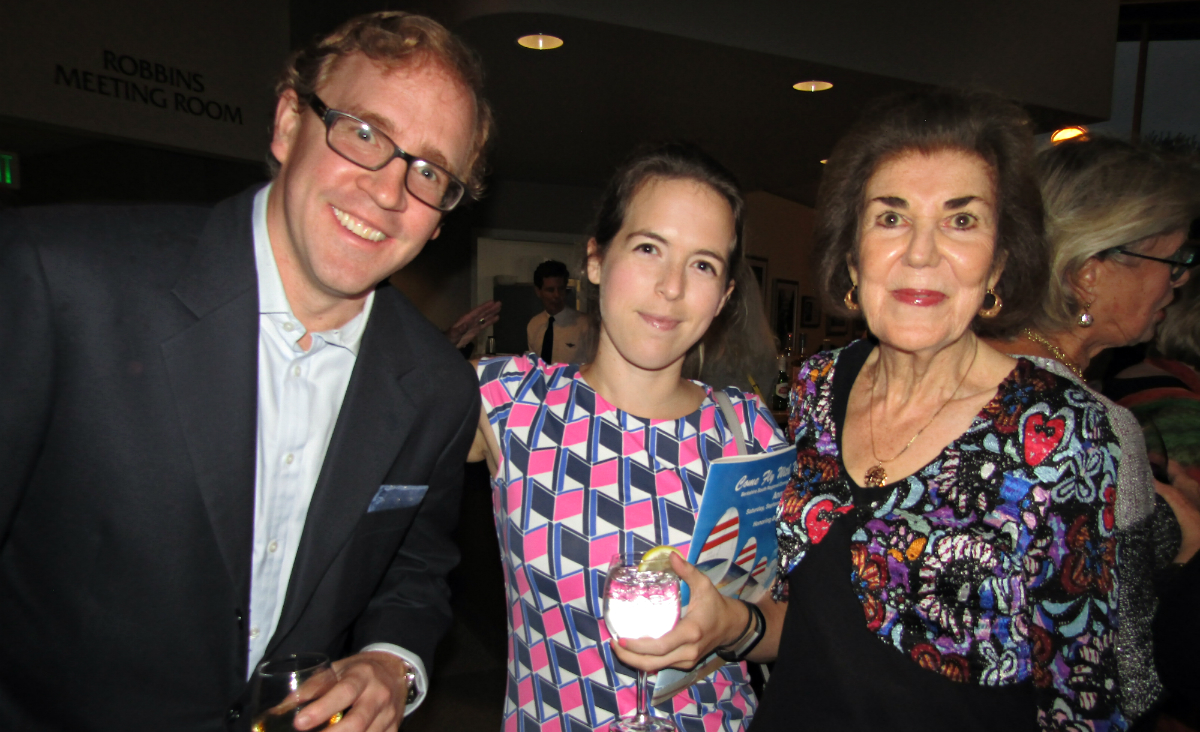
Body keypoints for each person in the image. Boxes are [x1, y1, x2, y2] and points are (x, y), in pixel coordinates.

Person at [0, 12, 492, 732]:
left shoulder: (438, 388)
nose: (389, 192)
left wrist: (392, 660)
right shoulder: (59, 283)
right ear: (289, 123)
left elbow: (415, 570)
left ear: (442, 216)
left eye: (428, 172)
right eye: (363, 134)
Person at [749, 89, 1130, 730]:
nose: (921, 254)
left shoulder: (1063, 432)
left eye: (960, 220)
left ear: (999, 263)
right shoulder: (816, 387)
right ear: (851, 256)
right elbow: (808, 616)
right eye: (891, 218)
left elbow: (1085, 696)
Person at [469, 143, 789, 731]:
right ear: (595, 260)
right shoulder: (509, 402)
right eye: (649, 249)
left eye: (702, 265)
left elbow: (789, 614)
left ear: (721, 297)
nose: (671, 287)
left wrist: (734, 627)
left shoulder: (749, 430)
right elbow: (369, 413)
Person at [989, 135, 1200, 723]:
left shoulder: (971, 375)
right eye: (1173, 261)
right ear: (1087, 272)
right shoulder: (1087, 420)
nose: (1178, 283)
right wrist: (1188, 547)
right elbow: (1124, 678)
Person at [526, 258, 592, 364]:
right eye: (550, 290)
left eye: (561, 289)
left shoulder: (584, 324)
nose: (557, 295)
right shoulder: (534, 325)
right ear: (538, 292)